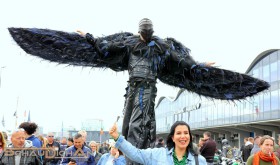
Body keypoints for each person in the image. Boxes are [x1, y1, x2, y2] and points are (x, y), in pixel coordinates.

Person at [9, 18, 270, 164]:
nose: (145, 31)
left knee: (140, 122)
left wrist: (200, 65)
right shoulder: (129, 43)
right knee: (128, 123)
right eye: (143, 28)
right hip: (132, 88)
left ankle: (136, 155)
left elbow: (184, 65)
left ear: (151, 31)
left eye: (148, 29)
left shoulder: (162, 47)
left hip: (147, 88)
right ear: (139, 30)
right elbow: (103, 47)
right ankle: (129, 152)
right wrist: (87, 36)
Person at [109, 120, 207, 165]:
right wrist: (117, 137)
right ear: (173, 138)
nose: (183, 136)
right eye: (178, 133)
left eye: (186, 133)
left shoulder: (200, 160)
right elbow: (135, 153)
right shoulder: (157, 154)